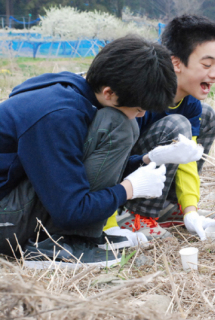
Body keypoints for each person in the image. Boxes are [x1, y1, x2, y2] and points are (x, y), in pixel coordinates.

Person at [0, 35, 179, 268]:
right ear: (109, 93)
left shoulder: (76, 91)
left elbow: (74, 167)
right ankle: (59, 245)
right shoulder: (59, 115)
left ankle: (77, 238)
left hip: (14, 197)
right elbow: (70, 210)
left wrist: (146, 160)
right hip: (5, 216)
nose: (142, 114)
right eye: (138, 107)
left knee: (122, 123)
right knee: (121, 126)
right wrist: (128, 190)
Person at [112, 14, 215, 242]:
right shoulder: (141, 94)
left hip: (150, 171)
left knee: (207, 116)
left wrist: (190, 210)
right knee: (177, 125)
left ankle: (168, 207)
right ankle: (135, 215)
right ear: (176, 63)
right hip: (123, 177)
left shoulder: (191, 104)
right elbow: (112, 157)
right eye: (207, 65)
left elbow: (187, 160)